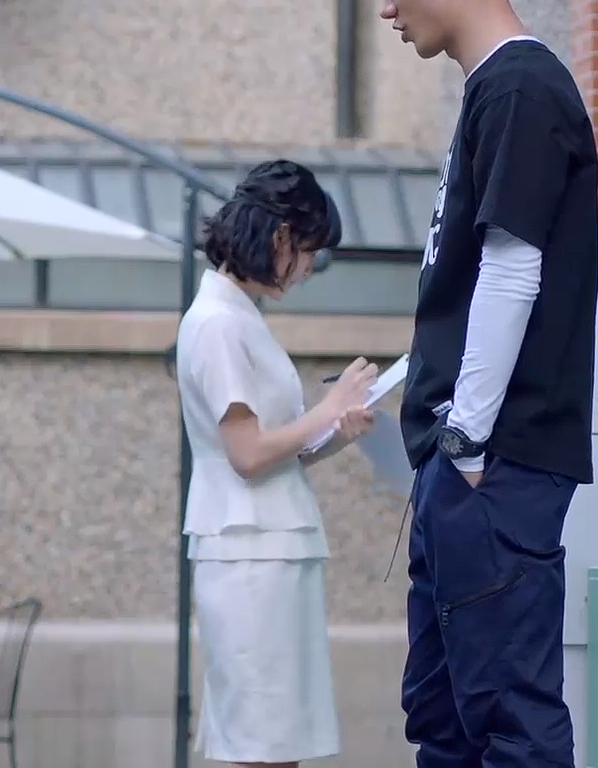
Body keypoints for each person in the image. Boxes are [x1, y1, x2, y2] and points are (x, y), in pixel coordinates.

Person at [351, 0, 598, 768]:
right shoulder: (495, 91)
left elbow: (512, 268)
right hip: (466, 465)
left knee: (507, 725)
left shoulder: (522, 88)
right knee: (446, 721)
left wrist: (465, 441)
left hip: (492, 464)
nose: (387, 6)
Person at [174, 159, 380, 768]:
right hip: (249, 555)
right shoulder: (218, 324)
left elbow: (272, 451)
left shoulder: (237, 316)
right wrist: (329, 409)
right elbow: (247, 454)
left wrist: (337, 430)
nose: (309, 267)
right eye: (308, 250)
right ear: (280, 237)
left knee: (278, 742)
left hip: (267, 548)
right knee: (262, 744)